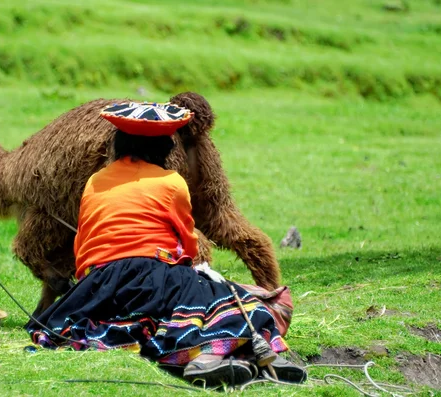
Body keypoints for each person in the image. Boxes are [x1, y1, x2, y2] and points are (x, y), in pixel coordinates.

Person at [26, 101, 305, 387]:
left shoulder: (96, 181)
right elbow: (186, 244)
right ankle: (211, 357)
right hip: (154, 275)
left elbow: (84, 244)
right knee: (233, 303)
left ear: (119, 144)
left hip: (97, 285)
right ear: (163, 149)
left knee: (119, 321)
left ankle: (233, 359)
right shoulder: (171, 182)